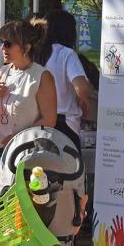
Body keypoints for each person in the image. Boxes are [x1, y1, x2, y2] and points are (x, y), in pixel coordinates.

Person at [0, 19, 58, 193]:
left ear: (26, 48)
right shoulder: (3, 71)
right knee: (2, 202)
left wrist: (15, 139)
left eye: (8, 44)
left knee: (23, 207)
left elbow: (49, 119)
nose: (3, 48)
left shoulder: (41, 76)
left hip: (28, 153)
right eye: (0, 42)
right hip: (1, 149)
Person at [43, 8, 94, 146]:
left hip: (39, 123)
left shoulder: (37, 53)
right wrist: (84, 97)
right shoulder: (67, 54)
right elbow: (81, 88)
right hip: (64, 124)